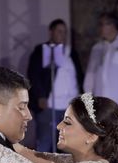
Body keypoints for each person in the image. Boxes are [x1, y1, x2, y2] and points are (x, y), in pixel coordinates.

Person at [27, 19, 84, 153]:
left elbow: (79, 75)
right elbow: (34, 75)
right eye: (59, 32)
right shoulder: (41, 51)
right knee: (46, 141)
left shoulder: (71, 53)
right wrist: (40, 96)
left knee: (69, 143)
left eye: (65, 32)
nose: (63, 35)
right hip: (49, 106)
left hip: (69, 107)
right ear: (51, 32)